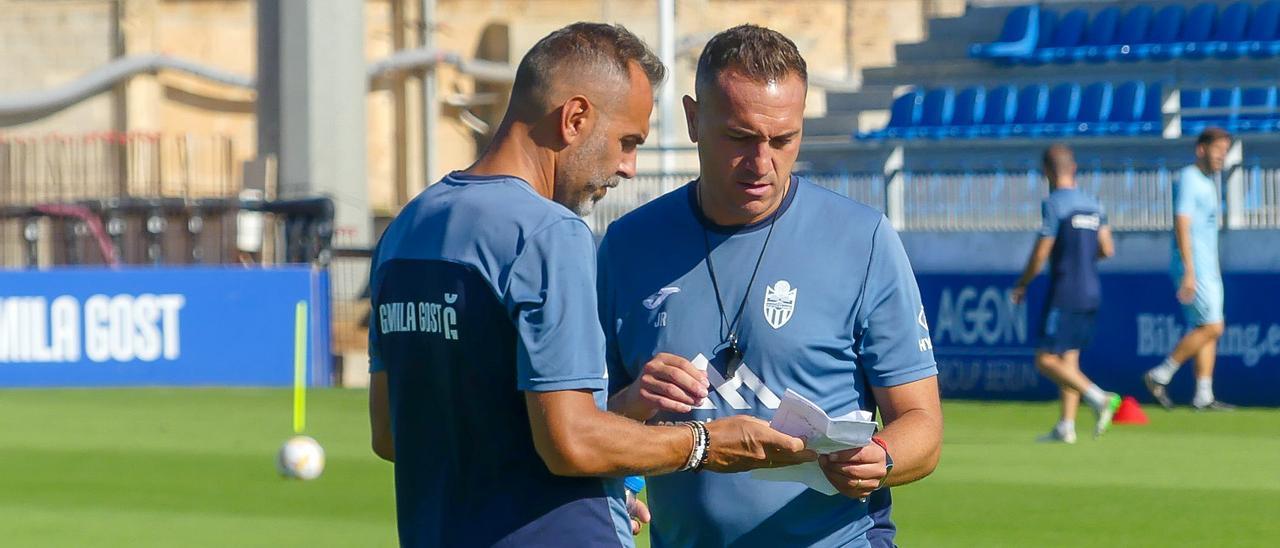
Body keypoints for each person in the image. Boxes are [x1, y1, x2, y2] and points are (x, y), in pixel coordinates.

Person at [366, 23, 814, 548]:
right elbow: (572, 441)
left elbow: (393, 434)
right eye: (627, 142)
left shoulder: (406, 228)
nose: (629, 167)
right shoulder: (549, 232)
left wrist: (582, 485)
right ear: (575, 118)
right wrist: (705, 442)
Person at [597, 25, 942, 547]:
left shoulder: (862, 239)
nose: (763, 164)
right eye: (740, 137)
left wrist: (882, 459)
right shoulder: (627, 245)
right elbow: (585, 423)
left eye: (783, 140)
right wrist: (630, 410)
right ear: (694, 119)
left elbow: (921, 423)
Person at [1010, 144, 1121, 443]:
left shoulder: (1054, 203)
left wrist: (1023, 282)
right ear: (1074, 169)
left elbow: (1042, 251)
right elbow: (1108, 249)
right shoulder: (1094, 203)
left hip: (1066, 288)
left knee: (1045, 359)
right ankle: (1066, 426)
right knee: (1069, 358)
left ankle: (1099, 398)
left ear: (1046, 171)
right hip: (1091, 289)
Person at [1143, 128, 1236, 411]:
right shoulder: (1189, 178)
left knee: (1206, 327)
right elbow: (1182, 223)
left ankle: (1203, 395)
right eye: (1217, 149)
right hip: (1194, 266)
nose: (1222, 155)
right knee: (1213, 326)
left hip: (1208, 265)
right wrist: (1189, 269)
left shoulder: (1209, 182)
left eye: (1225, 150)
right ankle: (1161, 373)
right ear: (1201, 149)